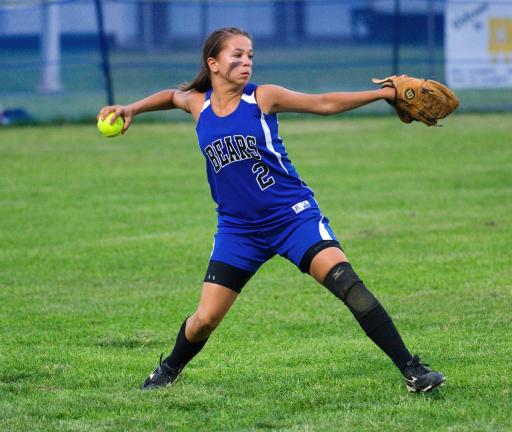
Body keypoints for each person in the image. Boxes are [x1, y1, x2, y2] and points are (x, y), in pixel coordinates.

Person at [97, 27, 445, 394]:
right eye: (236, 55)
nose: (246, 61)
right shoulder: (198, 105)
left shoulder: (261, 97)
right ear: (213, 63)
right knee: (204, 320)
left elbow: (324, 104)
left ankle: (412, 370)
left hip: (291, 216)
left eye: (249, 55)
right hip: (238, 231)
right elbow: (172, 95)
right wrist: (131, 107)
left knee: (347, 282)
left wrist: (384, 93)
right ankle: (167, 370)